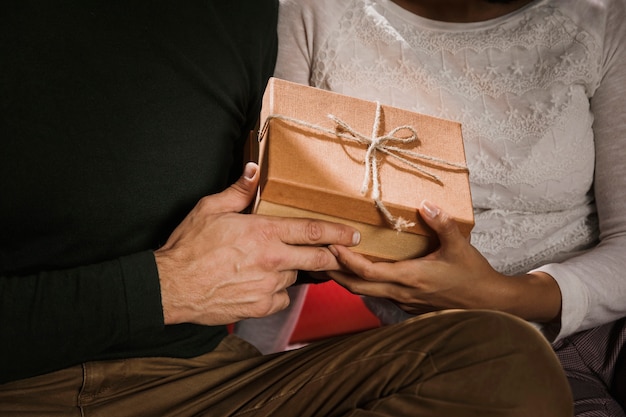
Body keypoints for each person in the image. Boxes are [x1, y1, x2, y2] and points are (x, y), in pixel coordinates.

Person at [0, 1, 573, 416]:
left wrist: (394, 254)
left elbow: (264, 206)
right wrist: (163, 287)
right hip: (23, 384)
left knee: (500, 359)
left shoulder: (245, 14)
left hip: (205, 381)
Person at [235, 0, 626, 414]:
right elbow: (284, 213)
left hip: (609, 321)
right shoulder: (313, 13)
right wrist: (249, 372)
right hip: (462, 354)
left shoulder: (601, 17)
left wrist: (500, 294)